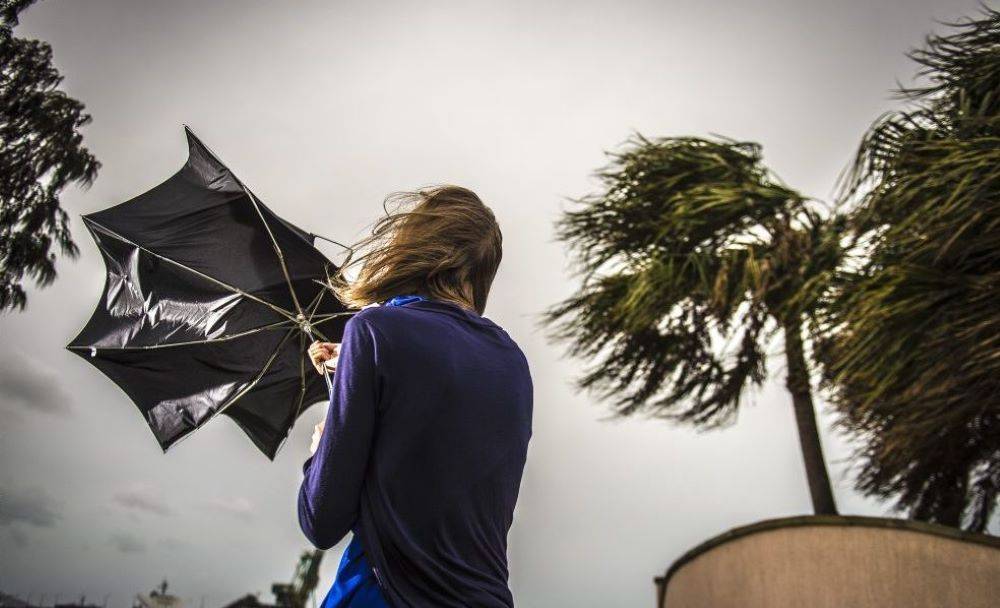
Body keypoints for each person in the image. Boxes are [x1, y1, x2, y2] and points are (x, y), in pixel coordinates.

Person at [298, 185, 533, 607]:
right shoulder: (512, 361)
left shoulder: (375, 332)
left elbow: (322, 520)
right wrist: (354, 363)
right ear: (482, 273)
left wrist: (319, 452)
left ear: (414, 246)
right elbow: (435, 454)